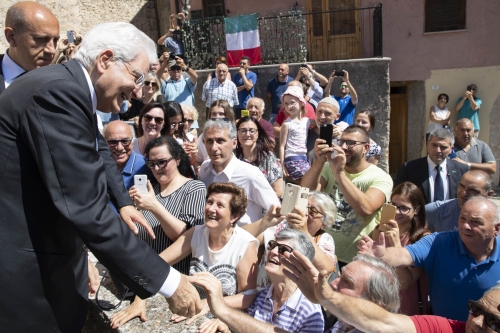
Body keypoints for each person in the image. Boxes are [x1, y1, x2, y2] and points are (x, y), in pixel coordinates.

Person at [0, 21, 202, 332]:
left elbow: (98, 151)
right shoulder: (58, 93)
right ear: (105, 60)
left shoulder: (69, 88)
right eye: (135, 77)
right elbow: (87, 208)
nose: (137, 91)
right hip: (27, 282)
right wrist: (170, 281)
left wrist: (123, 204)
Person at [110, 136, 205, 328]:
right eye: (151, 163)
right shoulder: (149, 191)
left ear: (177, 159)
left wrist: (154, 207)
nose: (156, 168)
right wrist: (128, 211)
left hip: (173, 282)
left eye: (162, 162)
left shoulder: (194, 188)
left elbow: (185, 238)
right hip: (143, 280)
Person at [283, 249, 500, 333]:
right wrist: (327, 298)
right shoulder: (446, 328)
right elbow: (386, 322)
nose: (478, 321)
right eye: (476, 309)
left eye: (493, 321)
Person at [359, 196, 500, 321]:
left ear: (496, 229)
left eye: (475, 222)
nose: (465, 226)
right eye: (462, 219)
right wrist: (382, 255)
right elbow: (405, 255)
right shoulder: (438, 242)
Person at [159, 182, 259, 328]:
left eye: (220, 205)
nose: (211, 209)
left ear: (234, 216)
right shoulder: (196, 233)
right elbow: (159, 262)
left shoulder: (245, 244)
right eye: (210, 202)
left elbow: (248, 295)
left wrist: (210, 304)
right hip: (190, 310)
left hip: (222, 319)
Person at [301, 124, 393, 266]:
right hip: (321, 251)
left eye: (350, 143)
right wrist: (319, 161)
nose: (343, 147)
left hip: (354, 259)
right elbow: (305, 193)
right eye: (341, 141)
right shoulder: (328, 166)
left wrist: (340, 173)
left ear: (366, 148)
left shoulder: (380, 177)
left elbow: (366, 208)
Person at [243, 191, 338, 287]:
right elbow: (240, 237)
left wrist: (304, 233)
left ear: (324, 223)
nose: (305, 213)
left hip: (291, 297)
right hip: (261, 293)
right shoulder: (282, 225)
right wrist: (264, 223)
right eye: (304, 206)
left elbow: (325, 269)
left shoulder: (324, 239)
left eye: (313, 211)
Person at [199, 120, 280, 224]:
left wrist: (260, 237)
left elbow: (275, 212)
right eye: (209, 141)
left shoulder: (251, 175)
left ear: (234, 143)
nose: (214, 148)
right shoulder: (205, 169)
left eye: (220, 141)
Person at [247, 229, 324, 333]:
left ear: (300, 263)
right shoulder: (260, 297)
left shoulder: (310, 312)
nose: (273, 251)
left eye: (283, 249)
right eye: (272, 245)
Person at [371, 182, 430, 315]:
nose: (397, 212)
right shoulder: (380, 231)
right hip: (380, 305)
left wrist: (396, 245)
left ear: (417, 210)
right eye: (393, 206)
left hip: (406, 310)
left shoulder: (422, 239)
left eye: (404, 208)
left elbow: (405, 284)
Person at [395, 128, 469, 204]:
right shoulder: (409, 168)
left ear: (451, 149)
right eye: (434, 145)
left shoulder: (462, 170)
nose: (438, 150)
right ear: (427, 145)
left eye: (443, 147)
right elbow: (398, 197)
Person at [1, 1, 59, 92]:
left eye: (55, 40)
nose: (52, 50)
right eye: (41, 39)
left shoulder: (61, 81)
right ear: (11, 37)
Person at [425, 170, 494, 232]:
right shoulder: (435, 210)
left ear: (489, 194)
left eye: (473, 190)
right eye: (461, 186)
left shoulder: (496, 218)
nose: (464, 193)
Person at [235, 116, 283, 198]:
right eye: (243, 130)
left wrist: (252, 200)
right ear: (237, 133)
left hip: (264, 207)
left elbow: (278, 191)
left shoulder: (269, 158)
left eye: (252, 131)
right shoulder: (232, 157)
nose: (247, 134)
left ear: (258, 134)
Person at [104, 120, 149, 190]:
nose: (119, 148)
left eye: (125, 141)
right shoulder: (97, 165)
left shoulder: (146, 166)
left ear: (132, 142)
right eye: (112, 142)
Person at [279, 85, 311, 183]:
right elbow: (281, 145)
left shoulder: (307, 120)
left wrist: (337, 128)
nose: (289, 106)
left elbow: (320, 123)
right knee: (308, 182)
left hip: (304, 159)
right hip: (292, 159)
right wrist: (282, 165)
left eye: (292, 102)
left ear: (301, 103)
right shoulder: (287, 124)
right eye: (286, 104)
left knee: (308, 183)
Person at [195, 99, 236, 169]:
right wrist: (199, 170)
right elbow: (198, 161)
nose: (217, 117)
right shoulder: (203, 136)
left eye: (221, 114)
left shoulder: (236, 134)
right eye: (214, 114)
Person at [306, 97, 348, 164]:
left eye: (328, 113)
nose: (322, 116)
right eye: (319, 111)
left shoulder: (342, 139)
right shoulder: (305, 134)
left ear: (337, 116)